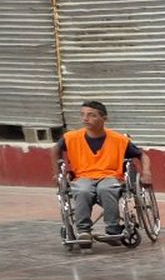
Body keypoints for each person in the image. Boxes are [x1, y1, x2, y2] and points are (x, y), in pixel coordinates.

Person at [50, 100, 152, 245]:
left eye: (91, 115)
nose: (85, 119)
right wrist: (56, 173)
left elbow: (142, 155)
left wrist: (146, 172)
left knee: (106, 188)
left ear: (104, 119)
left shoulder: (118, 139)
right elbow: (55, 150)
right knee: (83, 190)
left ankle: (113, 229)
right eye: (83, 115)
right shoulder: (71, 138)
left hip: (110, 176)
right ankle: (83, 231)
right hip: (82, 176)